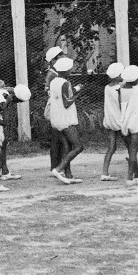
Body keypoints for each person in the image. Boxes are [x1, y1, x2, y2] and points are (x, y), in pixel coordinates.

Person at [49, 56, 85, 184]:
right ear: (66, 70)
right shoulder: (65, 83)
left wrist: (76, 89)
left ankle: (68, 175)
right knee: (79, 146)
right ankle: (59, 169)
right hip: (66, 119)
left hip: (56, 119)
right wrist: (78, 94)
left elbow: (63, 95)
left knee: (67, 146)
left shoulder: (54, 81)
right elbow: (67, 102)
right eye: (70, 69)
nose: (71, 70)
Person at [119, 65, 138, 185]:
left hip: (124, 121)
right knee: (135, 148)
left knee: (131, 148)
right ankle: (129, 177)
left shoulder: (120, 89)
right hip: (136, 121)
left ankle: (136, 173)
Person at [100, 62, 125, 181]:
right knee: (131, 145)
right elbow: (121, 105)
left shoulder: (107, 87)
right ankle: (134, 171)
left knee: (111, 147)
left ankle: (104, 172)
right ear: (117, 76)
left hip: (109, 120)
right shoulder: (119, 89)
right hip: (119, 120)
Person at [44, 46, 66, 173]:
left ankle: (57, 166)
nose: (62, 58)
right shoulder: (53, 73)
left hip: (59, 104)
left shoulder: (58, 71)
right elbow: (48, 89)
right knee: (57, 137)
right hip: (56, 106)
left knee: (58, 137)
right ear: (53, 60)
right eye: (60, 56)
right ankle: (56, 166)